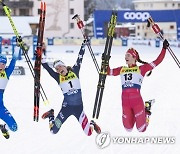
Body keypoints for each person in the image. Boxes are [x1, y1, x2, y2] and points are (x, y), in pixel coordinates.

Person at [107, 39, 169, 132]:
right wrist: (106, 61)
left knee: (141, 129)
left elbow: (157, 61)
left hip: (137, 101)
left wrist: (164, 48)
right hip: (125, 102)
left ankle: (146, 110)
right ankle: (137, 115)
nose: (125, 57)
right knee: (128, 129)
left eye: (128, 55)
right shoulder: (121, 69)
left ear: (134, 57)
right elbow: (108, 72)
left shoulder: (141, 69)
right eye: (125, 55)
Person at [41, 39, 101, 136]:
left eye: (60, 66)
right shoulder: (58, 77)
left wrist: (83, 45)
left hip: (78, 108)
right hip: (66, 108)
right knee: (53, 131)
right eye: (57, 68)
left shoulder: (75, 71)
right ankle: (51, 115)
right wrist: (40, 55)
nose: (59, 69)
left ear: (64, 66)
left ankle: (92, 124)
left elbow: (80, 58)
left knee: (89, 133)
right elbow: (47, 67)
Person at [0, 48, 20, 139]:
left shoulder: (7, 73)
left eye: (3, 64)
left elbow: (14, 60)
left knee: (14, 127)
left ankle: (4, 127)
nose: (1, 66)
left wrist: (18, 47)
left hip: (0, 107)